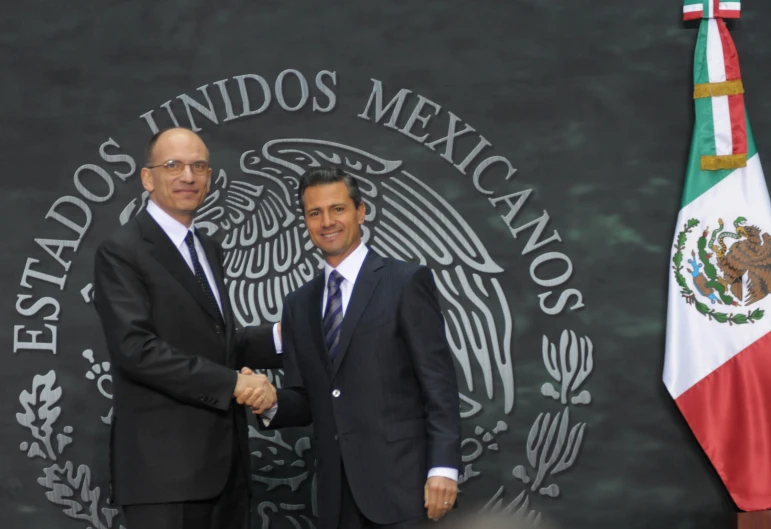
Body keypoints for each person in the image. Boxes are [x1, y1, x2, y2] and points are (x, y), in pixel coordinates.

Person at [241, 166, 461, 528]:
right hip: (335, 498)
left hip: (403, 489)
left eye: (337, 209)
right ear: (306, 222)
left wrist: (443, 468)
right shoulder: (300, 304)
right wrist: (270, 401)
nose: (327, 221)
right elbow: (308, 398)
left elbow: (438, 385)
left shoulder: (405, 282)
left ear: (360, 211)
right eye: (315, 213)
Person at [93, 127, 281, 529]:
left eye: (199, 166)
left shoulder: (208, 248)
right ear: (148, 178)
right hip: (164, 481)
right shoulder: (122, 250)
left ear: (210, 178)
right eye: (173, 165)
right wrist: (233, 384)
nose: (188, 177)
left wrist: (287, 337)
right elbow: (136, 349)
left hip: (227, 476)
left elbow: (216, 341)